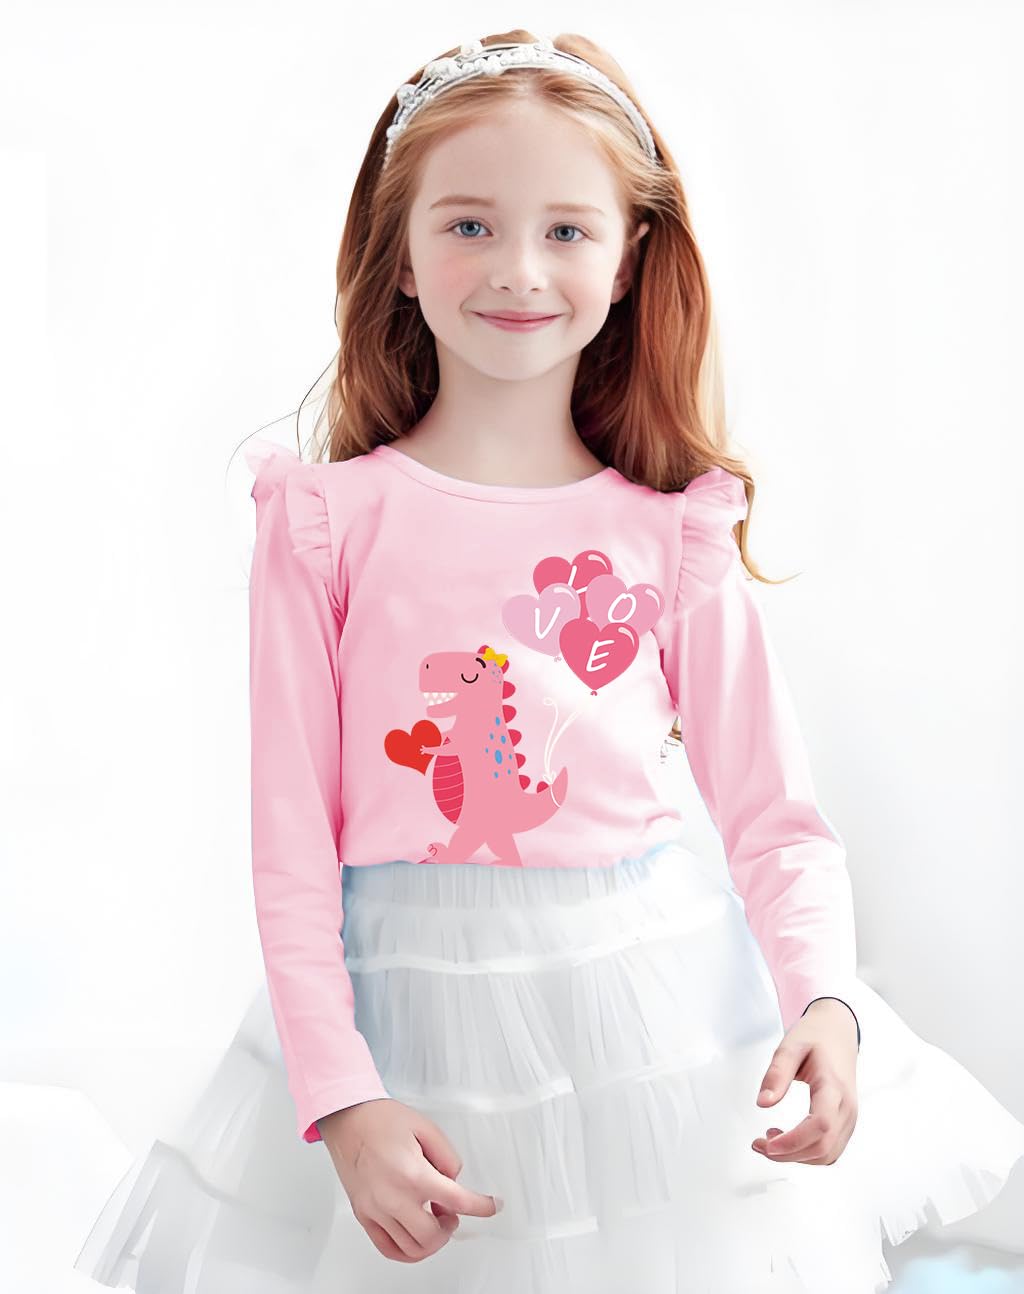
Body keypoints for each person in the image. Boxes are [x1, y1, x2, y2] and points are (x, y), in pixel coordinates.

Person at [73, 29, 1024, 1294]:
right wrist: (341, 1097)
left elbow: (775, 820)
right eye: (468, 224)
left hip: (650, 1021)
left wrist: (823, 1001)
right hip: (401, 1034)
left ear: (626, 260)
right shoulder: (324, 523)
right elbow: (290, 844)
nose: (517, 268)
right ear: (399, 254)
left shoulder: (673, 533)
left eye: (565, 229)